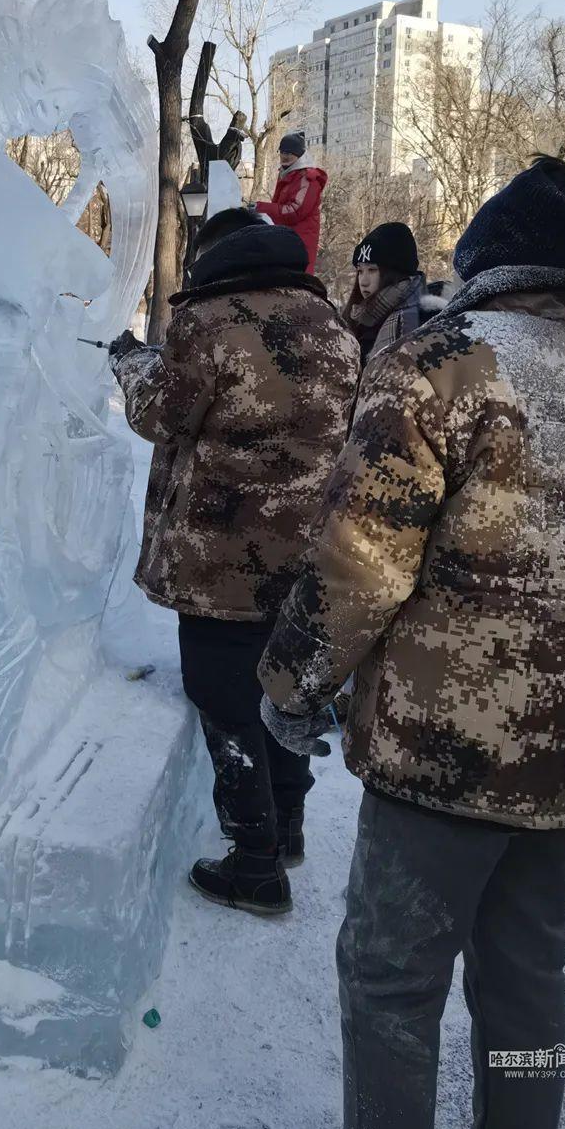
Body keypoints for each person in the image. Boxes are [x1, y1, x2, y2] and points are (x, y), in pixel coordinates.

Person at [258, 155, 565, 1129]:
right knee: (526, 986)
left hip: (439, 755)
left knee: (393, 981)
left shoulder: (441, 365)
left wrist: (291, 682)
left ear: (488, 258)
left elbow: (358, 559)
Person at [109, 208, 359, 915]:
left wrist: (131, 362)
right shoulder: (331, 325)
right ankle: (288, 830)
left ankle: (254, 862)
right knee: (281, 690)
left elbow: (160, 416)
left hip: (224, 556)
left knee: (224, 699)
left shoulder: (208, 322)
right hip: (306, 553)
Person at [342, 221, 440, 365]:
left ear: (394, 273)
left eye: (372, 270)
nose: (363, 281)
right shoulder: (359, 318)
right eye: (360, 271)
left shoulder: (423, 320)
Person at [254, 130, 328, 274]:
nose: (285, 156)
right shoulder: (287, 175)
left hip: (299, 245)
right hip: (288, 242)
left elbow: (294, 211)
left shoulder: (308, 178)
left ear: (299, 154)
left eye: (290, 152)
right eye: (282, 151)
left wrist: (261, 208)